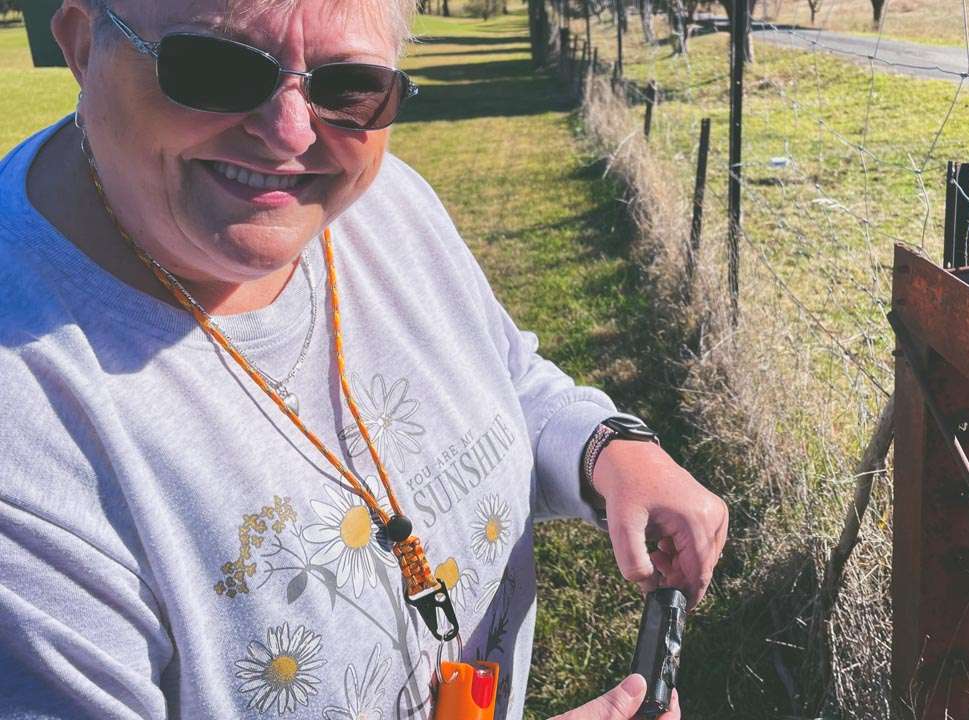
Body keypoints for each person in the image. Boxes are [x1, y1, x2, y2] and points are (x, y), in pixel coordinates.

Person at [0, 1, 729, 718]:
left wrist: (611, 452)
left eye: (348, 87)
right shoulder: (25, 426)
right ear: (83, 45)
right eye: (216, 68)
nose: (289, 133)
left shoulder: (382, 205)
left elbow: (505, 377)